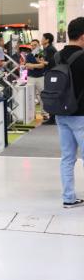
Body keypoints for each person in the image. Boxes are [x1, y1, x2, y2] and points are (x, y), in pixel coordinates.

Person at [55, 18, 84, 208]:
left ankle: (69, 198)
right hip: (81, 114)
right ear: (82, 37)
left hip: (60, 113)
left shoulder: (57, 56)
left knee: (67, 157)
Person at [24, 40, 47, 118]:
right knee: (31, 96)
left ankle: (44, 113)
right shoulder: (29, 55)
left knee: (43, 96)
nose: (33, 46)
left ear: (39, 45)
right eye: (32, 45)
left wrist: (32, 66)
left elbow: (42, 65)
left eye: (35, 45)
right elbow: (26, 65)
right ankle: (31, 114)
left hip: (41, 77)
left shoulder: (41, 54)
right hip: (31, 78)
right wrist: (36, 65)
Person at [41, 33, 58, 125]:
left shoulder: (50, 49)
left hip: (52, 75)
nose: (41, 39)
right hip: (50, 74)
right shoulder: (47, 49)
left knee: (51, 95)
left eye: (43, 38)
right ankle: (52, 117)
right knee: (50, 95)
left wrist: (42, 62)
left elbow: (52, 62)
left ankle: (53, 118)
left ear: (47, 40)